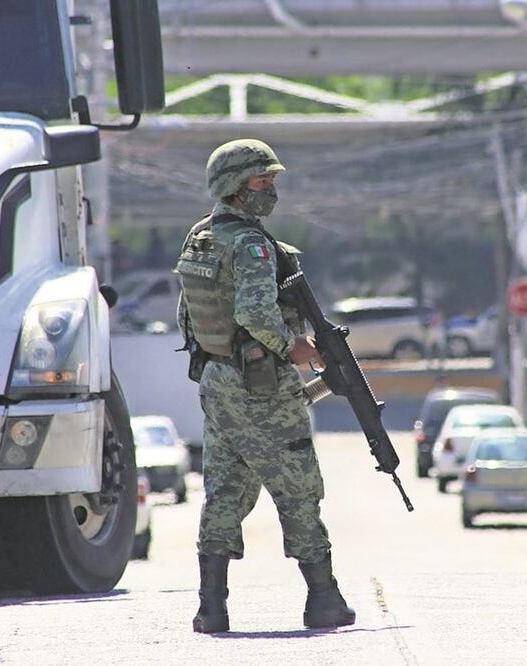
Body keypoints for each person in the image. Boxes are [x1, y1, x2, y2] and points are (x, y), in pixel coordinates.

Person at [176, 139, 355, 633]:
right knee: (298, 485)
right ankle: (323, 599)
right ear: (235, 187)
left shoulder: (200, 237)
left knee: (224, 490)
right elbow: (256, 312)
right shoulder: (251, 245)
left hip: (217, 379)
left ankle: (211, 608)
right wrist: (295, 348)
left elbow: (187, 315)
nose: (271, 190)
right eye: (261, 181)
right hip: (260, 383)